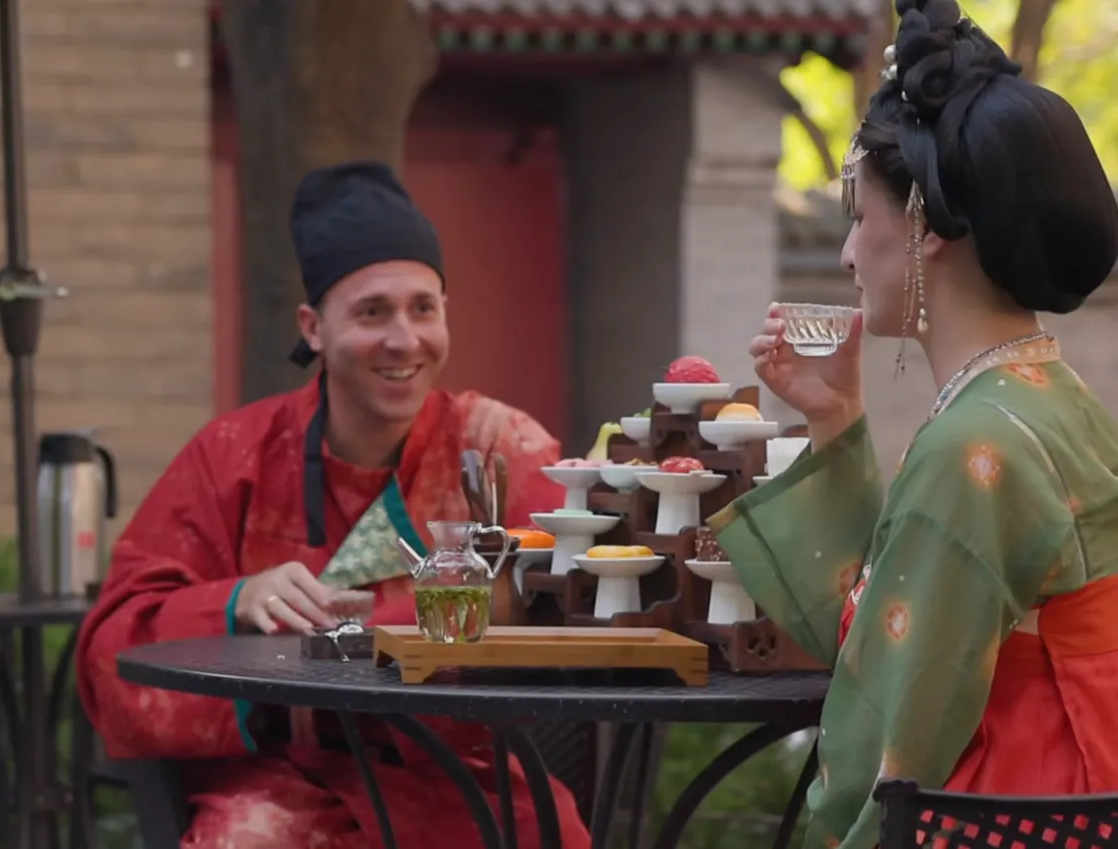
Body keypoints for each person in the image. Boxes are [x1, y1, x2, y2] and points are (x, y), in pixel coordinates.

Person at [76, 161, 591, 849]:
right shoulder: (232, 456)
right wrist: (237, 601)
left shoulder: (497, 446)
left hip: (459, 781)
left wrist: (376, 634)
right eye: (372, 312)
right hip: (280, 784)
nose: (404, 340)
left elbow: (575, 581)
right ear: (313, 327)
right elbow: (111, 651)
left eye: (423, 308)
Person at [710, 1, 1118, 846]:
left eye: (860, 215)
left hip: (1011, 813)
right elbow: (891, 635)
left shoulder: (977, 445)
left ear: (925, 223)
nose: (848, 253)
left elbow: (892, 734)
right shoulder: (1046, 396)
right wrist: (836, 414)